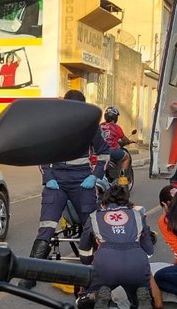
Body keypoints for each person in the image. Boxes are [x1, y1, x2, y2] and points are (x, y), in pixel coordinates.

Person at [21, 89, 110, 288]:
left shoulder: (90, 127)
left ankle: (97, 274)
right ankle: (30, 276)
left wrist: (94, 177)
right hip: (57, 181)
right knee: (47, 227)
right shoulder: (54, 125)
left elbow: (105, 153)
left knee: (92, 227)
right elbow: (42, 154)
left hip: (82, 180)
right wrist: (49, 177)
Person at [76, 184, 154, 309]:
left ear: (104, 203)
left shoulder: (94, 216)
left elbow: (84, 251)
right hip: (136, 262)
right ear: (127, 202)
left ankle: (96, 296)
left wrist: (90, 265)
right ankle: (139, 299)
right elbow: (149, 250)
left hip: (106, 264)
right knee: (143, 293)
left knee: (82, 301)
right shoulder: (138, 215)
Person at [100, 106, 132, 180]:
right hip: (111, 151)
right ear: (115, 118)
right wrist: (128, 141)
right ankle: (122, 180)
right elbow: (124, 139)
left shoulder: (100, 126)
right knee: (126, 157)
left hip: (99, 151)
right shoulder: (116, 127)